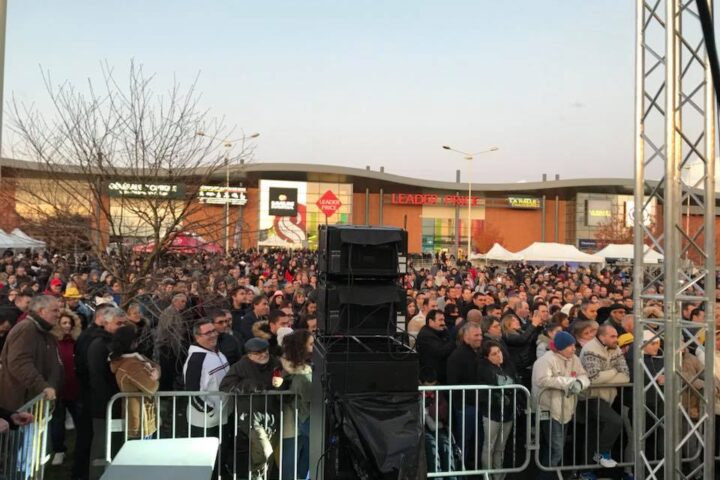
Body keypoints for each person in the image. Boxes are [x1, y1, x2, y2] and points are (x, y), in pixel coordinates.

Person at [532, 331, 590, 479]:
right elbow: (542, 379)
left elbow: (584, 375)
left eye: (574, 345)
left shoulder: (574, 359)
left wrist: (580, 383)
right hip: (549, 409)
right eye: (570, 346)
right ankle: (545, 477)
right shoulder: (546, 360)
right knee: (556, 448)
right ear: (561, 347)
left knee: (556, 446)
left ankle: (548, 474)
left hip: (567, 409)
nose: (574, 349)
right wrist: (570, 382)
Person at [579, 324, 629, 470]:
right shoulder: (590, 349)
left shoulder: (615, 348)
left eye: (616, 336)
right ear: (602, 337)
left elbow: (626, 376)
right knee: (615, 421)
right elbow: (594, 378)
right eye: (612, 336)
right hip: (590, 397)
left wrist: (605, 376)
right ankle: (602, 453)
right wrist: (614, 371)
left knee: (593, 434)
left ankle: (586, 471)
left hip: (607, 398)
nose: (616, 339)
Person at [0, 295, 63, 411]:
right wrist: (42, 386)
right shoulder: (26, 329)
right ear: (41, 311)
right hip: (22, 405)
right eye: (55, 310)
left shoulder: (47, 334)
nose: (59, 314)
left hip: (36, 403)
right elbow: (19, 363)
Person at [87, 307, 128, 480]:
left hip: (117, 402)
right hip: (104, 405)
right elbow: (97, 377)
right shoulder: (98, 345)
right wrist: (110, 402)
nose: (122, 327)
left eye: (124, 323)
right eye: (118, 323)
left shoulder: (116, 343)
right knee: (102, 446)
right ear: (106, 323)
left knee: (115, 444)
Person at [109, 325, 161, 439]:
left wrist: (155, 370)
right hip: (141, 420)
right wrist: (155, 377)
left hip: (138, 416)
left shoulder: (126, 360)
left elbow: (156, 367)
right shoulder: (132, 365)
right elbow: (151, 388)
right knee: (143, 448)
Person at [183, 318, 230, 438]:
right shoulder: (196, 360)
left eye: (214, 331)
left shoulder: (218, 352)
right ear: (197, 337)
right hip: (205, 422)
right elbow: (192, 392)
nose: (213, 335)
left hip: (222, 417)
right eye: (208, 333)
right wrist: (210, 411)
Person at [477, 339, 516, 479]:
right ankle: (487, 475)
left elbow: (516, 382)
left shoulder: (507, 365)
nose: (499, 355)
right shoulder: (484, 368)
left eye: (499, 352)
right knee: (489, 446)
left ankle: (498, 474)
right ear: (487, 357)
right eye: (494, 354)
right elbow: (495, 386)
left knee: (501, 447)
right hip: (492, 413)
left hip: (508, 412)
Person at [446, 321, 483, 469]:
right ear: (466, 337)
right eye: (476, 335)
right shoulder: (457, 356)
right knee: (464, 441)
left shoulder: (476, 352)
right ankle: (460, 470)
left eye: (480, 334)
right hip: (465, 405)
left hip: (475, 404)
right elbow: (453, 383)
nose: (480, 338)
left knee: (476, 440)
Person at [49, 309, 82, 466]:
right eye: (64, 323)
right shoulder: (52, 342)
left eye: (70, 323)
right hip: (57, 388)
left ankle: (81, 450)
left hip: (74, 387)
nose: (67, 326)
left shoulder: (77, 342)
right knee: (57, 422)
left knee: (80, 420)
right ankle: (59, 450)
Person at [280, 329, 313, 480]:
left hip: (303, 417)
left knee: (306, 454)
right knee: (299, 454)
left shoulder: (304, 368)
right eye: (311, 344)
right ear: (301, 347)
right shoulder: (300, 374)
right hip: (303, 418)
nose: (315, 348)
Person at [416, 309, 456, 385]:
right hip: (431, 379)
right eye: (440, 320)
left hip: (440, 377)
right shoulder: (426, 335)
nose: (443, 323)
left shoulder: (439, 332)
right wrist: (453, 342)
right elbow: (441, 351)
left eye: (443, 320)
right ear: (431, 321)